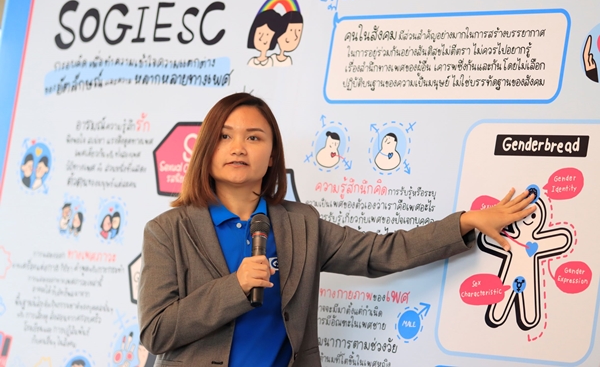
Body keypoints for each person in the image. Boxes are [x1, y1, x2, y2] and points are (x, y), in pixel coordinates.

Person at [138, 93, 535, 366]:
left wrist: (466, 222)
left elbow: (381, 252)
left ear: (272, 154)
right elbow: (156, 332)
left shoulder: (300, 225)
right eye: (225, 136)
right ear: (206, 149)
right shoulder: (167, 232)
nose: (238, 147)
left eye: (253, 137)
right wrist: (235, 288)